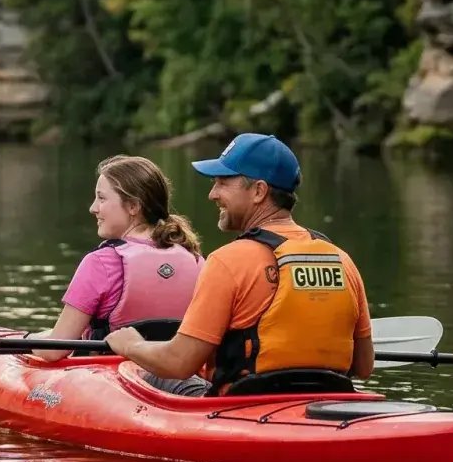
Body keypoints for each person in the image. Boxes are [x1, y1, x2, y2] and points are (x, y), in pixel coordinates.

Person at [105, 133, 373, 396]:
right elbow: (363, 365)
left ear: (258, 191)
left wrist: (133, 346)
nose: (212, 194)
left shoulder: (228, 260)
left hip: (242, 408)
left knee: (137, 374)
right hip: (326, 404)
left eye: (222, 182)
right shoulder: (341, 259)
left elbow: (179, 363)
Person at [27, 155, 203, 361]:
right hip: (174, 373)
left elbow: (54, 350)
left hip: (108, 376)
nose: (93, 208)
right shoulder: (196, 259)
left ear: (133, 207)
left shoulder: (101, 262)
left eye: (101, 198)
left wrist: (28, 339)